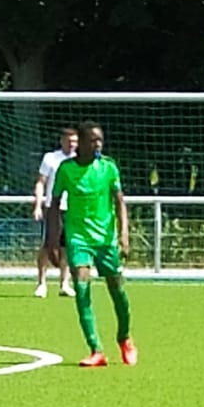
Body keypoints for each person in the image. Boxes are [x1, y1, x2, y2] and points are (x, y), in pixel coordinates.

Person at [47, 123, 136, 367]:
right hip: (78, 238)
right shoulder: (66, 169)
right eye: (94, 140)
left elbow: (119, 202)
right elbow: (54, 204)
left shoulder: (108, 167)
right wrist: (52, 241)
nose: (98, 144)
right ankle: (96, 349)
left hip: (105, 239)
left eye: (100, 140)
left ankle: (124, 337)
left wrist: (124, 235)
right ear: (83, 143)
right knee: (81, 284)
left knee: (117, 289)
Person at [32, 126, 78, 298]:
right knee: (47, 246)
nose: (72, 144)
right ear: (62, 141)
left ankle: (64, 283)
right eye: (69, 141)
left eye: (75, 141)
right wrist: (38, 205)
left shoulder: (80, 160)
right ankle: (41, 283)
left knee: (67, 247)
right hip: (53, 208)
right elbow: (40, 182)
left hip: (72, 209)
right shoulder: (51, 158)